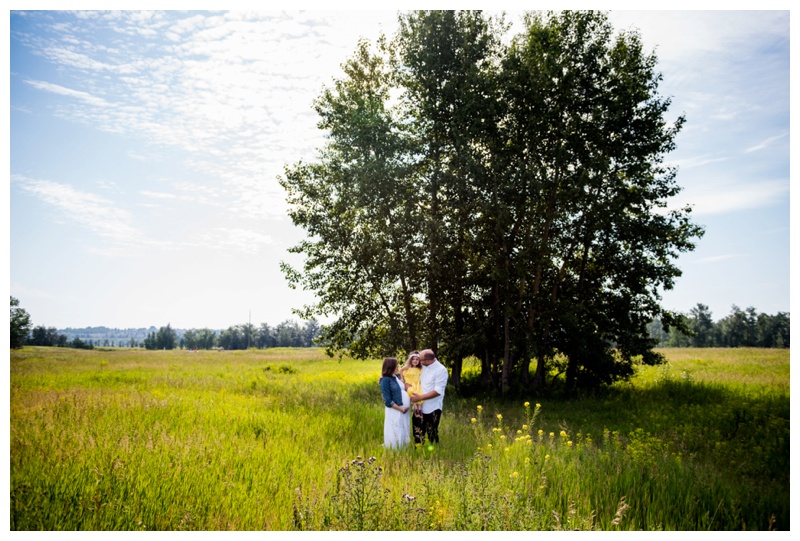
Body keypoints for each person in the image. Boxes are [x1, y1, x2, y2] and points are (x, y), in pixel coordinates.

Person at [409, 349, 449, 445]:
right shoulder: (423, 366)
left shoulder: (441, 370)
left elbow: (438, 391)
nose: (419, 362)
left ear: (428, 360)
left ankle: (434, 454)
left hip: (432, 407)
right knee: (417, 433)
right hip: (419, 407)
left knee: (432, 433)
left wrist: (420, 397)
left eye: (420, 360)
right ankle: (418, 454)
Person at [379, 357, 410, 449]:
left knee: (403, 429)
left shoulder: (397, 377)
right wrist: (401, 409)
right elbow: (387, 400)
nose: (398, 366)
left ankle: (403, 449)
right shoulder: (385, 380)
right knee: (395, 429)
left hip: (404, 410)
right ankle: (394, 450)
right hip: (396, 409)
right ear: (391, 366)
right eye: (396, 365)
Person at [399, 351, 424, 444]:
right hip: (410, 384)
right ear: (410, 360)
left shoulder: (420, 369)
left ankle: (419, 411)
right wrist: (401, 378)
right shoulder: (407, 367)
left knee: (419, 392)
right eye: (413, 359)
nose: (415, 361)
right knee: (411, 391)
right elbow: (400, 371)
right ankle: (415, 409)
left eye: (417, 360)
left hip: (417, 384)